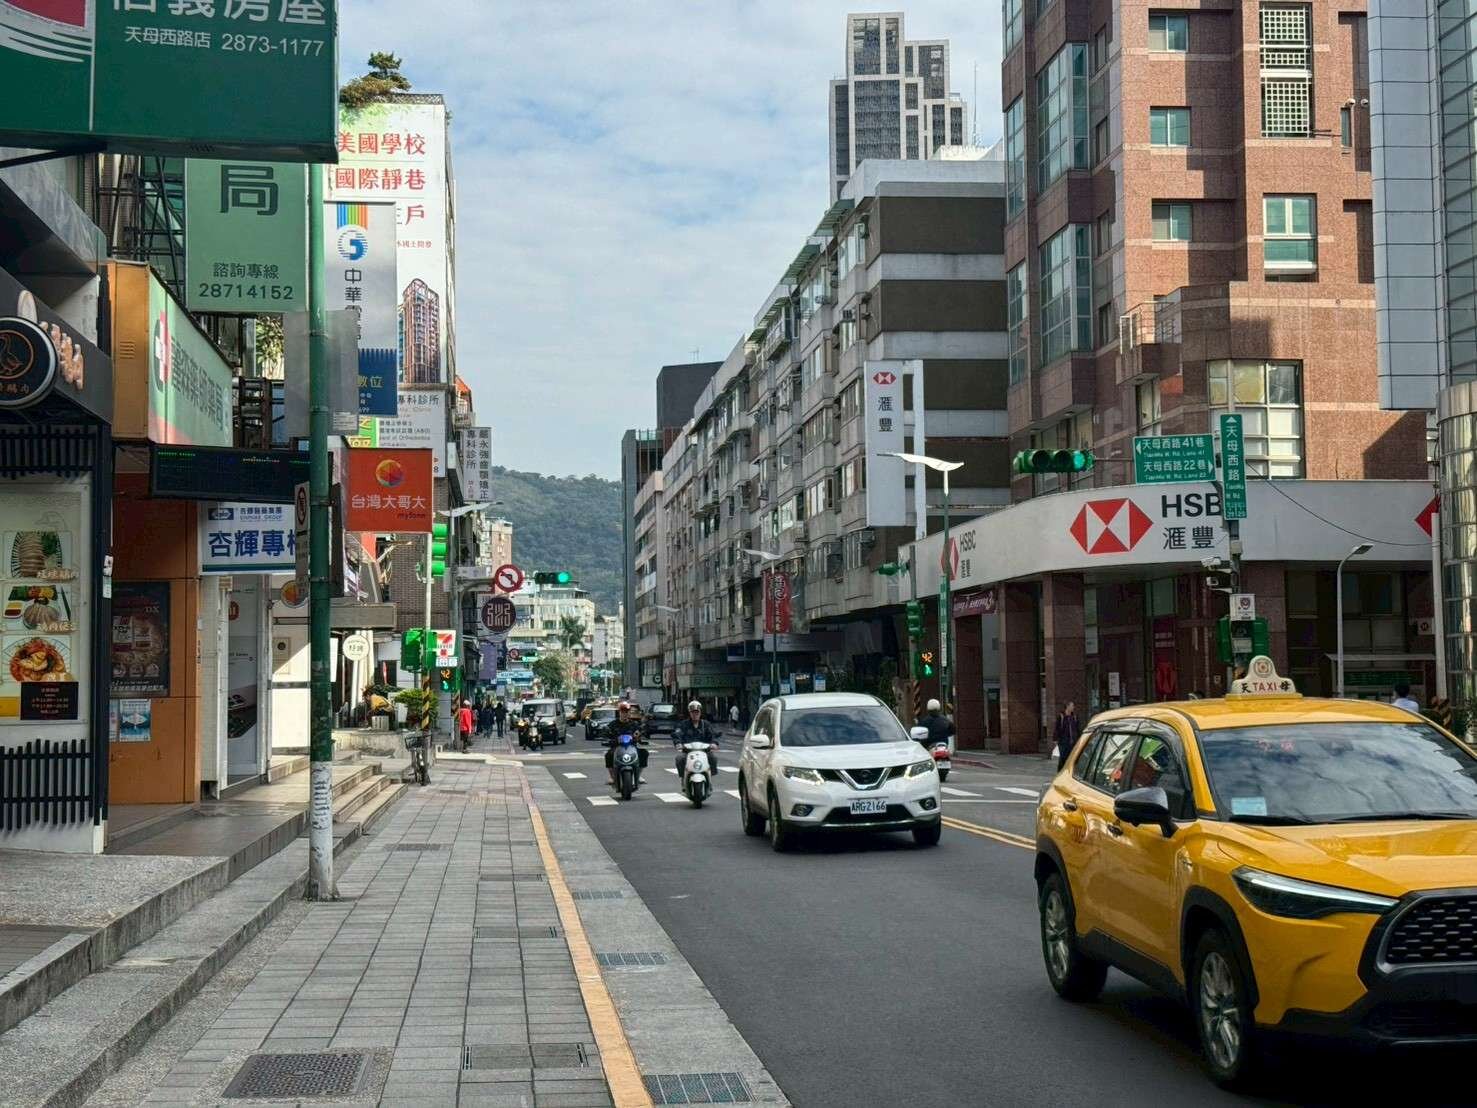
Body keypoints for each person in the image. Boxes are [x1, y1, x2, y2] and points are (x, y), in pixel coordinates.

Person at [604, 700, 649, 786]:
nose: (624, 714)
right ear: (619, 712)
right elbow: (606, 733)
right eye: (623, 712)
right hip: (617, 747)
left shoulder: (634, 724)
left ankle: (638, 775)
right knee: (608, 755)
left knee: (644, 753)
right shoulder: (613, 724)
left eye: (626, 711)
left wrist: (639, 734)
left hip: (632, 747)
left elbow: (641, 731)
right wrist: (611, 738)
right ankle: (612, 777)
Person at [674, 700, 719, 779]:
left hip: (704, 751)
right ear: (690, 713)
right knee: (679, 759)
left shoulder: (706, 724)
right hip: (688, 751)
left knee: (713, 758)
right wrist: (678, 743)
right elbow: (677, 734)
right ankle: (684, 777)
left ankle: (709, 777)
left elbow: (713, 734)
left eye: (697, 712)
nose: (695, 714)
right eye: (693, 712)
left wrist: (714, 743)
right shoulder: (683, 724)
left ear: (700, 713)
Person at [1054, 702, 1082, 769]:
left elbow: (1078, 728)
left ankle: (1069, 771)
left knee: (1073, 758)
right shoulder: (1061, 716)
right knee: (1063, 758)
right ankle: (1060, 772)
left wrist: (1079, 738)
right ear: (1067, 706)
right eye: (1072, 706)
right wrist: (1055, 739)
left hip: (1073, 742)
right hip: (1063, 742)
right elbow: (1057, 728)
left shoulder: (1075, 717)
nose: (1073, 707)